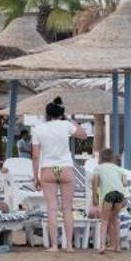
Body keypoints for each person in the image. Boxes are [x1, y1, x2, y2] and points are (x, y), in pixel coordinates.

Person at [32, 98, 79, 250]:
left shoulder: (38, 129)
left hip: (48, 169)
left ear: (47, 113)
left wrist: (35, 176)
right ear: (61, 114)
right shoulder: (66, 125)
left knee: (51, 208)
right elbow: (84, 135)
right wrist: (70, 120)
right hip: (65, 168)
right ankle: (70, 246)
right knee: (67, 208)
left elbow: (35, 156)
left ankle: (54, 245)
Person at [90, 147, 128, 254]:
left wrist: (94, 197)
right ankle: (117, 246)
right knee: (115, 219)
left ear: (101, 157)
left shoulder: (98, 168)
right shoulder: (119, 169)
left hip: (108, 194)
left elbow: (95, 182)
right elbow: (125, 183)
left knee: (104, 220)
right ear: (112, 158)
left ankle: (102, 246)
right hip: (120, 195)